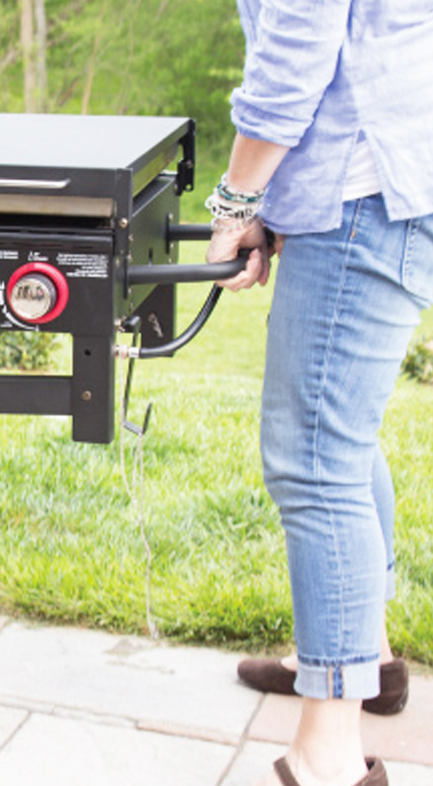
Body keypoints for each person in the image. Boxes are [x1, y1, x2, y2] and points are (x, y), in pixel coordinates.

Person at [205, 1, 432, 785]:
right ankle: (360, 655)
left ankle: (329, 750)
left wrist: (236, 200)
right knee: (343, 435)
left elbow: (297, 47)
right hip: (384, 174)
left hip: (362, 189)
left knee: (316, 458)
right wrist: (275, 200)